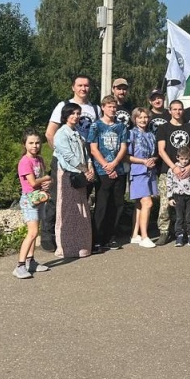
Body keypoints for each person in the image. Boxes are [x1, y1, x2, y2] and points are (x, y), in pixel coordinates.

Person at [43, 74, 101, 253]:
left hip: (85, 161)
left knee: (81, 201)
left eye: (86, 85)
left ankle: (77, 240)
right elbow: (49, 133)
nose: (83, 88)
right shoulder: (63, 105)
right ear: (73, 87)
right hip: (64, 162)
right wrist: (62, 156)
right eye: (80, 85)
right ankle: (48, 238)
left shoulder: (95, 109)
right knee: (57, 199)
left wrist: (88, 166)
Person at [51, 103, 95, 258]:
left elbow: (86, 153)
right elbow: (68, 156)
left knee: (82, 209)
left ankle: (81, 246)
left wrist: (89, 167)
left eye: (78, 113)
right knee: (68, 210)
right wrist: (84, 170)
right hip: (68, 175)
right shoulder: (61, 134)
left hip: (81, 174)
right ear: (66, 115)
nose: (76, 116)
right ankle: (66, 247)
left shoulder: (78, 132)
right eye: (73, 113)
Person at [88, 95, 129, 252]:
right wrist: (106, 165)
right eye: (109, 106)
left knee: (117, 204)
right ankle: (97, 238)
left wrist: (114, 164)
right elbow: (93, 148)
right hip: (102, 170)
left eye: (114, 107)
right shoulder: (96, 126)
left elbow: (123, 147)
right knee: (102, 205)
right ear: (103, 107)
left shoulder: (121, 127)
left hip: (118, 168)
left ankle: (110, 236)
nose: (112, 109)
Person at [154, 100, 190, 246]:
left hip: (187, 172)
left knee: (187, 205)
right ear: (169, 111)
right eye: (175, 109)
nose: (178, 112)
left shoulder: (189, 127)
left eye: (180, 109)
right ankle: (164, 231)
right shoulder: (163, 128)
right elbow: (161, 150)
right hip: (168, 171)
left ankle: (186, 231)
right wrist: (174, 167)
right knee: (166, 203)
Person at [15, 129, 53, 279]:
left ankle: (31, 261)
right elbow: (32, 182)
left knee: (35, 232)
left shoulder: (40, 160)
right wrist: (48, 178)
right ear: (24, 144)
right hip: (28, 200)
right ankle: (20, 265)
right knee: (31, 233)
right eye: (31, 143)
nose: (35, 146)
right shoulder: (25, 161)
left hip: (38, 198)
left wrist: (46, 184)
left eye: (37, 142)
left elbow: (41, 180)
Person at [127, 108, 158, 248]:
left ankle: (135, 234)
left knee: (139, 205)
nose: (143, 120)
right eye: (140, 117)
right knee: (147, 203)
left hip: (150, 172)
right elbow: (127, 156)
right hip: (138, 172)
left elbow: (155, 152)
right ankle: (145, 236)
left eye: (145, 117)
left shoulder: (151, 134)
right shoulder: (131, 134)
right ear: (135, 119)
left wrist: (153, 159)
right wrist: (143, 161)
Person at [167, 147, 190, 247]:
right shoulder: (172, 169)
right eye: (182, 158)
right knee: (179, 217)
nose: (184, 161)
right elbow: (169, 183)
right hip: (178, 196)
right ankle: (179, 236)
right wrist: (170, 197)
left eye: (186, 159)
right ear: (177, 158)